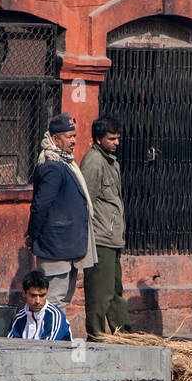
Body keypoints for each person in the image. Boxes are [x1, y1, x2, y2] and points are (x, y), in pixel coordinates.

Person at [27, 113, 96, 306]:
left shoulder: (65, 163)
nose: (73, 141)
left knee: (64, 298)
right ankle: (48, 336)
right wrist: (33, 234)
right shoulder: (53, 166)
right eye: (68, 137)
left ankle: (56, 335)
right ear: (55, 139)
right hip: (55, 245)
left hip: (67, 245)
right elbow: (40, 206)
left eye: (74, 136)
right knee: (54, 300)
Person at [79, 116, 131, 339]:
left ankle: (124, 333)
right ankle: (97, 334)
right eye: (111, 139)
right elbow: (85, 201)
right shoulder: (94, 162)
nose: (116, 142)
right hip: (100, 237)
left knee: (115, 290)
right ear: (98, 139)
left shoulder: (110, 161)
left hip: (112, 237)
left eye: (118, 138)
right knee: (100, 293)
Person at [6, 270, 72, 341]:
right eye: (33, 295)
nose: (37, 301)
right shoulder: (19, 319)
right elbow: (11, 345)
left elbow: (49, 348)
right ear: (24, 293)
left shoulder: (55, 316)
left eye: (42, 295)